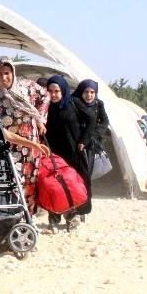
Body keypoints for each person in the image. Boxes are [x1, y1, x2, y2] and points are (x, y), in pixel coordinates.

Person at [0, 57, 50, 211]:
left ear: (12, 72)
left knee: (30, 181)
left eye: (7, 73)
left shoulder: (27, 87)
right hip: (9, 146)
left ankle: (28, 218)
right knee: (12, 181)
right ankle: (14, 217)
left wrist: (40, 119)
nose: (4, 77)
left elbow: (45, 96)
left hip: (31, 145)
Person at [44, 75, 93, 229]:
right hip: (55, 154)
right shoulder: (45, 107)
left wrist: (84, 141)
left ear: (63, 91)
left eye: (57, 91)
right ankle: (54, 217)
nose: (53, 95)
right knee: (54, 185)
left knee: (73, 185)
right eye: (50, 91)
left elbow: (92, 119)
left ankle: (74, 216)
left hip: (73, 153)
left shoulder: (74, 103)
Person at [72, 79, 109, 221]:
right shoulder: (74, 104)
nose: (89, 95)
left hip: (90, 146)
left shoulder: (98, 105)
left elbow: (104, 122)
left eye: (92, 92)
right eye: (86, 92)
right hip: (76, 145)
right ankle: (74, 208)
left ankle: (83, 209)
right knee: (75, 177)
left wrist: (93, 135)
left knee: (86, 178)